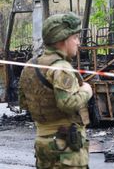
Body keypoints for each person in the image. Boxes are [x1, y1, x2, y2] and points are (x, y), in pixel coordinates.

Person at [18, 12, 93, 168]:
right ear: (62, 41)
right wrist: (87, 90)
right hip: (64, 146)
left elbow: (24, 103)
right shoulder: (61, 68)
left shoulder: (30, 66)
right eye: (75, 38)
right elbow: (67, 103)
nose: (78, 42)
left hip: (43, 143)